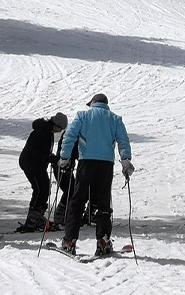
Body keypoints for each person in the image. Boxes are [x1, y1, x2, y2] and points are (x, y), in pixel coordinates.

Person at [58, 93, 133, 257]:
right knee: (103, 203)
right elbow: (123, 140)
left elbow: (70, 136)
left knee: (77, 200)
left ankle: (69, 241)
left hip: (86, 163)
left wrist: (65, 157)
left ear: (93, 103)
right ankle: (103, 241)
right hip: (106, 164)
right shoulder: (115, 119)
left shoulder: (83, 115)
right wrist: (126, 161)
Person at [17, 111, 68, 232]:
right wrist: (49, 158)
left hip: (37, 164)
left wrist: (50, 157)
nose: (60, 131)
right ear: (56, 124)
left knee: (45, 187)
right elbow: (35, 151)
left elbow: (43, 151)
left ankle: (38, 217)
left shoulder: (47, 131)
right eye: (60, 128)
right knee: (40, 189)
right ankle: (32, 219)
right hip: (31, 164)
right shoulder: (42, 132)